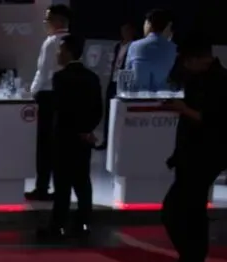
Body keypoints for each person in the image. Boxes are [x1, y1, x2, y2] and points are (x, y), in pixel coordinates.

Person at [159, 33, 227, 262]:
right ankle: (193, 261)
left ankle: (192, 260)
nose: (184, 65)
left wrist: (183, 109)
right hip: (191, 155)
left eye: (187, 60)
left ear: (200, 58)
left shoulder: (223, 82)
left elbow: (215, 121)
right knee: (191, 211)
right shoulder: (198, 77)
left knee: (176, 210)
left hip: (205, 156)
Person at [41, 34, 102, 241]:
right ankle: (83, 223)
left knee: (62, 184)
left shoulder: (60, 78)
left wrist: (74, 130)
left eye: (60, 50)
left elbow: (63, 109)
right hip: (84, 138)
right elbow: (98, 109)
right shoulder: (92, 77)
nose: (58, 54)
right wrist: (86, 130)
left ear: (67, 52)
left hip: (64, 137)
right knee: (83, 182)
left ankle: (58, 226)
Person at [27, 4, 71, 201]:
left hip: (47, 97)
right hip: (66, 96)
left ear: (59, 20)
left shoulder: (51, 42)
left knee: (44, 145)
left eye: (48, 19)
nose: (45, 23)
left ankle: (42, 187)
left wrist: (32, 93)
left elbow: (43, 72)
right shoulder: (72, 41)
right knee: (61, 145)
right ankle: (61, 189)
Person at [97, 22, 136, 150]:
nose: (124, 33)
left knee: (121, 111)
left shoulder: (134, 46)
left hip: (124, 81)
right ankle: (106, 141)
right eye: (123, 30)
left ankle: (120, 141)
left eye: (127, 30)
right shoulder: (118, 45)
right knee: (109, 111)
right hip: (113, 80)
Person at [125, 9, 176, 92]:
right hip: (162, 95)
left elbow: (126, 73)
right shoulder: (172, 48)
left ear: (149, 24)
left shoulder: (135, 46)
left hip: (137, 95)